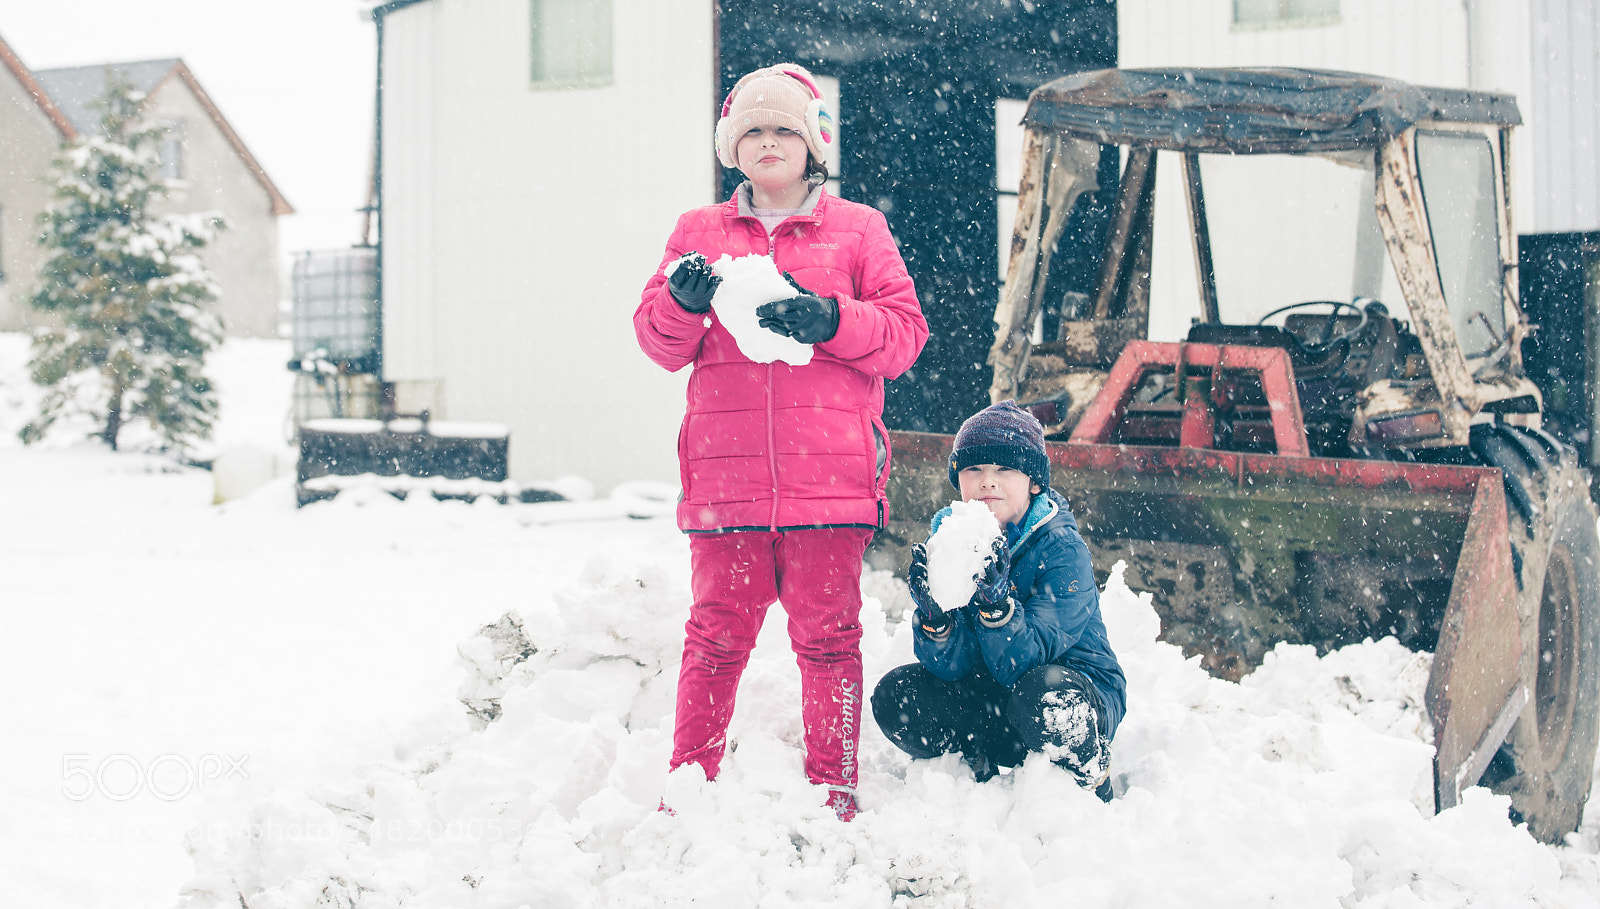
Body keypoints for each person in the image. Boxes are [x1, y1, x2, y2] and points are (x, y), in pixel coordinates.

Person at [634, 63, 928, 821]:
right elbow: (660, 344)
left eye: (785, 130)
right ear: (732, 148)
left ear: (813, 147)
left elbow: (903, 336)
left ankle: (834, 789)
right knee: (713, 641)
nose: (769, 142)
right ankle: (686, 787)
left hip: (827, 483)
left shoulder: (859, 230)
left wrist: (833, 321)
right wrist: (681, 301)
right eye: (753, 131)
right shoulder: (697, 234)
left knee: (830, 642)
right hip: (725, 487)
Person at [871, 400, 1126, 800]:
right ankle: (972, 761)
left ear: (1034, 482)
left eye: (1004, 469)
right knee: (898, 696)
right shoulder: (953, 541)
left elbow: (1026, 661)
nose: (988, 482)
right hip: (996, 701)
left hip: (1070, 694)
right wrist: (937, 621)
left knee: (1043, 694)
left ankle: (1089, 772)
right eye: (975, 470)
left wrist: (997, 609)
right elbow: (951, 667)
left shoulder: (1060, 548)